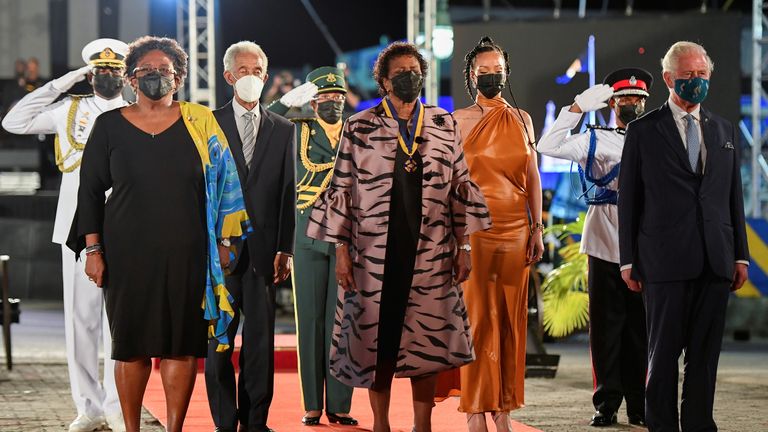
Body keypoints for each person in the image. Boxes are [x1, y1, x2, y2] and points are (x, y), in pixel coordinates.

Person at [306, 41, 491, 432]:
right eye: (401, 73)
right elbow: (342, 188)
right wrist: (341, 251)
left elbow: (461, 185)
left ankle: (422, 424)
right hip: (374, 255)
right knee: (379, 342)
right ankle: (381, 423)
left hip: (432, 251)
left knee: (427, 342)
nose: (411, 78)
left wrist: (464, 245)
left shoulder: (443, 123)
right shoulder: (360, 126)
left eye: (416, 71)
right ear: (384, 83)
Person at [67, 35, 249, 432]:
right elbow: (90, 191)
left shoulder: (201, 122)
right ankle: (131, 429)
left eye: (163, 71)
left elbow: (227, 186)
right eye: (145, 71)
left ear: (179, 77)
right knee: (129, 347)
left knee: (180, 346)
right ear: (131, 79)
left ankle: (174, 428)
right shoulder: (108, 125)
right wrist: (93, 249)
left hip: (189, 252)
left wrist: (225, 242)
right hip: (126, 253)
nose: (154, 77)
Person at [618, 41, 749, 432]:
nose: (697, 82)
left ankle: (698, 424)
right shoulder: (643, 131)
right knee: (662, 357)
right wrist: (628, 260)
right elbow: (630, 201)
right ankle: (661, 425)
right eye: (689, 75)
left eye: (702, 75)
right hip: (663, 261)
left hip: (715, 259)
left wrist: (739, 255)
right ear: (669, 78)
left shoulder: (724, 129)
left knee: (705, 357)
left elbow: (732, 197)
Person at [2, 38, 130, 432]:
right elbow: (14, 121)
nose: (107, 76)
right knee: (81, 321)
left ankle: (116, 405)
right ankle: (88, 407)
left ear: (124, 74)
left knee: (120, 323)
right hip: (76, 228)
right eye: (99, 70)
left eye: (114, 70)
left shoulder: (135, 111)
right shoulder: (70, 109)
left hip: (126, 225)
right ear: (90, 73)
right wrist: (61, 83)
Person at [537, 68, 653, 427]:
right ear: (613, 103)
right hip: (604, 241)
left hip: (645, 244)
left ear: (645, 102)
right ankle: (607, 404)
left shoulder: (656, 139)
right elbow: (547, 146)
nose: (631, 104)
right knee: (605, 330)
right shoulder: (595, 139)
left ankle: (640, 406)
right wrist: (575, 109)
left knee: (642, 331)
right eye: (624, 99)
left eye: (637, 99)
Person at [451, 36, 543, 432]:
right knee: (476, 319)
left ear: (507, 72)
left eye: (497, 70)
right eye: (483, 71)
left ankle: (504, 407)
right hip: (475, 230)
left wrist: (537, 226)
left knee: (510, 320)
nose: (492, 76)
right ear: (472, 76)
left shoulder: (523, 119)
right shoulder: (456, 120)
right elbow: (452, 183)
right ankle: (475, 409)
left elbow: (532, 176)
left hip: (517, 229)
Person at [204, 40, 296, 432]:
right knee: (219, 346)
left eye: (258, 71)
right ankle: (225, 422)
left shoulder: (284, 129)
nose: (252, 78)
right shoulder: (207, 123)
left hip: (263, 255)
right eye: (244, 71)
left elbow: (288, 194)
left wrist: (285, 249)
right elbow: (201, 190)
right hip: (220, 257)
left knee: (260, 346)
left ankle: (256, 423)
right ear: (229, 77)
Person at [269, 66, 358, 427]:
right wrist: (290, 100)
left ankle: (339, 404)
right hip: (305, 234)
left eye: (339, 97)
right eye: (326, 98)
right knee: (309, 319)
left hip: (346, 236)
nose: (333, 103)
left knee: (342, 322)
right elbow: (264, 120)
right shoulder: (298, 130)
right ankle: (312, 404)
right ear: (314, 100)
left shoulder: (356, 131)